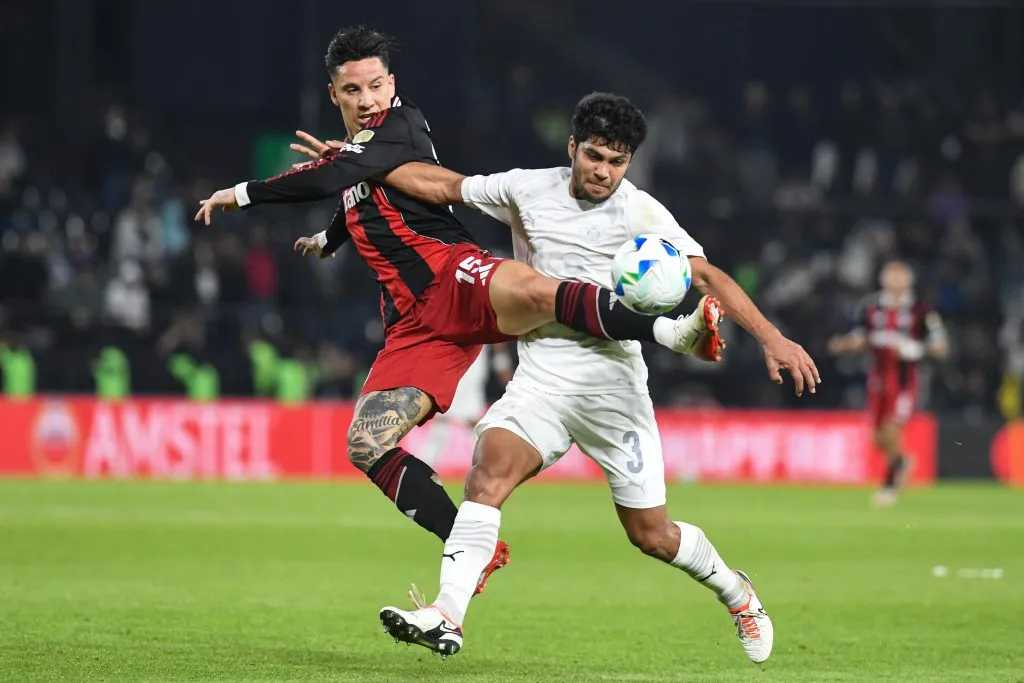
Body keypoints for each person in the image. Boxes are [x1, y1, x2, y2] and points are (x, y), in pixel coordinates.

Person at [195, 27, 773, 594]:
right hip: (412, 320)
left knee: (536, 291)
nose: (367, 100)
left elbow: (349, 173)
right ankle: (466, 546)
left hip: (453, 273)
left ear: (391, 85)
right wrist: (330, 237)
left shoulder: (400, 124)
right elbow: (360, 193)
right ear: (335, 95)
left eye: (376, 86)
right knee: (367, 444)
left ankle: (671, 331)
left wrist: (243, 193)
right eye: (353, 91)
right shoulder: (358, 159)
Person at [367, 92, 822, 664]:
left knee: (651, 535)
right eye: (595, 156)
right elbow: (442, 186)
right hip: (543, 377)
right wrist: (356, 160)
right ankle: (446, 615)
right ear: (572, 147)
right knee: (486, 476)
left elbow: (705, 274)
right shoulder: (526, 188)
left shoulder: (640, 211)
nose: (604, 171)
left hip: (613, 388)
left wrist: (772, 338)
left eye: (617, 161)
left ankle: (737, 591)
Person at [828, 259, 947, 506]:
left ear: (909, 279)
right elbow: (862, 336)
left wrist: (915, 349)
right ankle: (901, 461)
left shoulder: (921, 310)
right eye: (890, 274)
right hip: (877, 379)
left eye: (900, 274)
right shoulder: (871, 307)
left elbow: (940, 347)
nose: (895, 279)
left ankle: (890, 484)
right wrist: (845, 344)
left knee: (892, 430)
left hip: (906, 380)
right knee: (877, 437)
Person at [418, 344, 514, 470]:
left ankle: (484, 468)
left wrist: (501, 364)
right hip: (452, 368)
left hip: (471, 373)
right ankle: (424, 468)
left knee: (471, 423)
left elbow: (498, 346)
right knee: (443, 421)